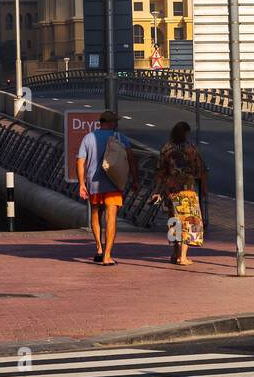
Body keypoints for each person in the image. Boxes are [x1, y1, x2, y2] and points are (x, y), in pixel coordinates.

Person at [77, 111, 139, 266]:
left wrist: (81, 184)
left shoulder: (88, 138)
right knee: (111, 217)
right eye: (116, 122)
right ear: (111, 123)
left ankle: (98, 248)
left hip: (94, 183)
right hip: (113, 183)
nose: (117, 125)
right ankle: (107, 256)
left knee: (96, 214)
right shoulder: (120, 138)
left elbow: (80, 161)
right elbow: (131, 159)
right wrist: (135, 179)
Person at [151, 121, 207, 268]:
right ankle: (182, 257)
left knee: (174, 222)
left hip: (170, 190)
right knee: (189, 222)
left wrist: (157, 190)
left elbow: (160, 171)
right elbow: (200, 169)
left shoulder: (166, 148)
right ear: (186, 133)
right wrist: (203, 188)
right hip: (186, 190)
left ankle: (175, 254)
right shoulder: (190, 149)